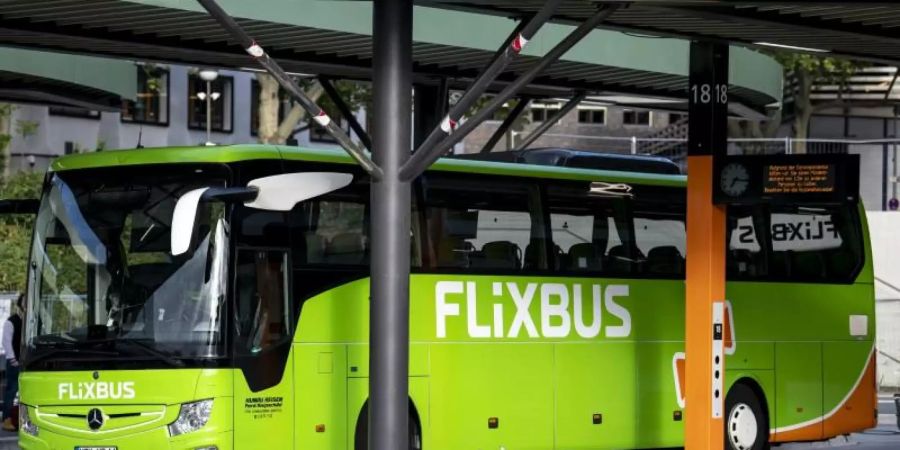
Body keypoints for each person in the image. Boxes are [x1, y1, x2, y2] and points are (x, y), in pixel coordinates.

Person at [2, 294, 23, 432]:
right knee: (12, 391)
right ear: (20, 304)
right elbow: (6, 342)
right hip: (15, 363)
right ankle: (6, 419)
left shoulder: (30, 320)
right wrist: (13, 359)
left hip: (26, 362)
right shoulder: (11, 321)